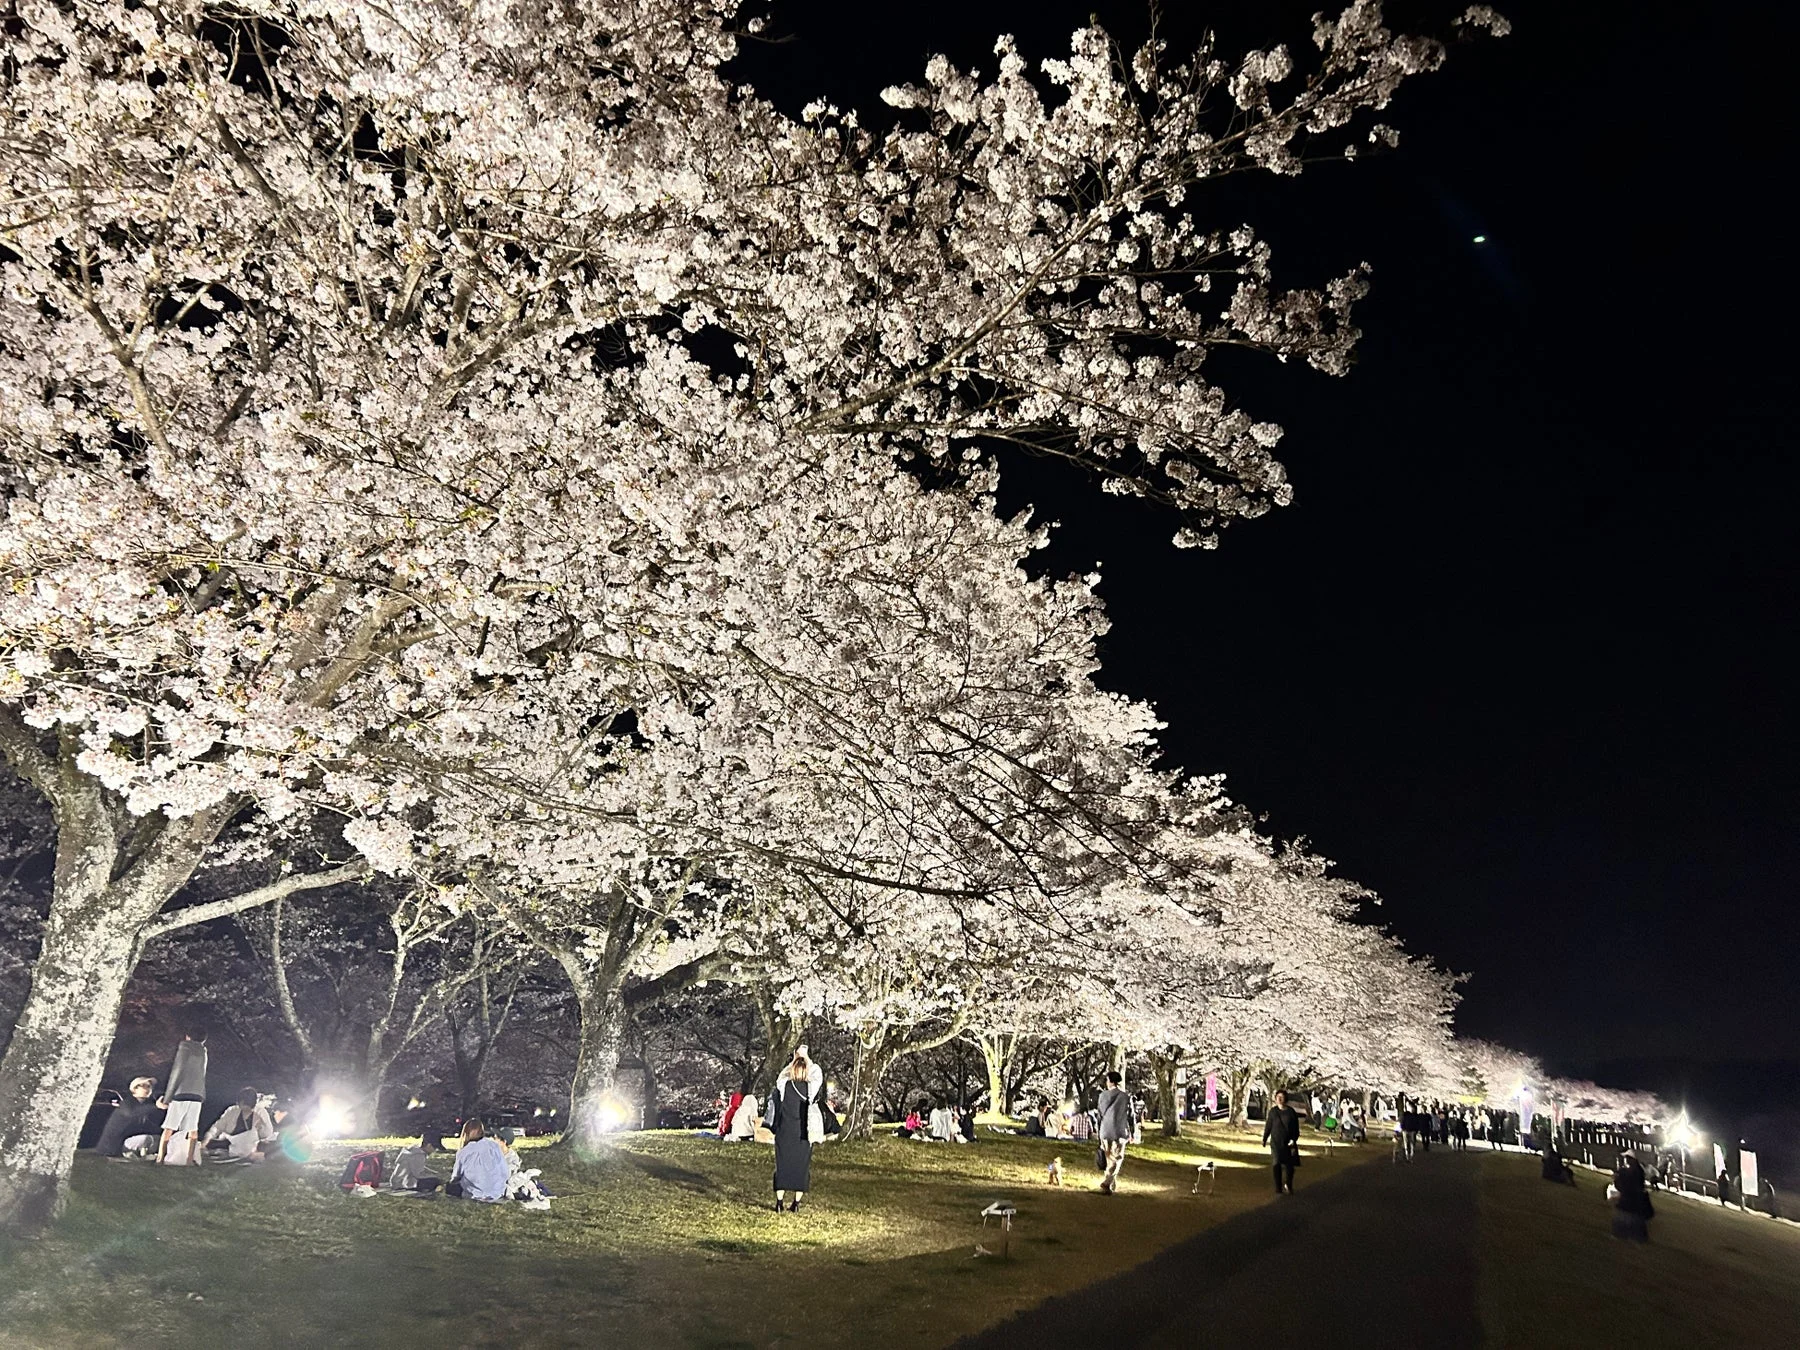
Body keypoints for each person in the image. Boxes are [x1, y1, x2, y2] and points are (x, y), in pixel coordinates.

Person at [768, 1047, 823, 1212]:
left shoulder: (784, 1085)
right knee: (801, 1168)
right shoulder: (810, 1089)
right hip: (803, 1133)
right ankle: (796, 1204)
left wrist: (794, 1059)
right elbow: (817, 1073)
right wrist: (806, 1058)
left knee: (782, 1167)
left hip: (784, 1132)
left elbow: (782, 1075)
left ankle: (779, 1203)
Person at [157, 1026, 208, 1166]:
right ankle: (189, 1160)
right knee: (193, 1128)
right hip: (197, 1094)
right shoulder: (203, 1052)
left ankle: (160, 1158)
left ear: (188, 1036)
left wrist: (167, 1098)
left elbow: (177, 1071)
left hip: (181, 1092)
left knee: (169, 1126)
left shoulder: (185, 1048)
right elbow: (202, 1073)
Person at [96, 1077, 162, 1159]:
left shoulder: (144, 1105)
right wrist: (156, 1106)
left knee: (158, 1139)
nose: (148, 1089)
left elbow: (147, 1125)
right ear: (135, 1088)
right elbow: (131, 1113)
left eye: (149, 1086)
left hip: (126, 1141)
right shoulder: (126, 1103)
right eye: (144, 1086)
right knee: (146, 1139)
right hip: (113, 1147)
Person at [203, 1088, 276, 1162]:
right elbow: (217, 1127)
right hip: (229, 1145)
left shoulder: (261, 1113)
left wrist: (261, 1126)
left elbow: (267, 1134)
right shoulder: (232, 1111)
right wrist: (206, 1141)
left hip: (251, 1147)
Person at [447, 1120, 509, 1201]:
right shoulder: (494, 1146)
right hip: (497, 1193)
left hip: (475, 1194)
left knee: (450, 1187)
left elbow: (455, 1177)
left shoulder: (464, 1151)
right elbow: (505, 1172)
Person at [1096, 1071, 1133, 1195]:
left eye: (1107, 1080)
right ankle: (1108, 1182)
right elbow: (1130, 1116)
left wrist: (1098, 1130)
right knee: (1117, 1158)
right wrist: (1132, 1131)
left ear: (1110, 1081)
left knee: (1109, 1159)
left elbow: (1100, 1114)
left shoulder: (1103, 1096)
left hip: (1105, 1130)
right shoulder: (1125, 1097)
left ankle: (1110, 1185)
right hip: (1119, 1131)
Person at [1263, 1089, 1301, 1194]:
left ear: (1285, 1099)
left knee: (1289, 1166)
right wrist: (1265, 1138)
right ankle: (1278, 1187)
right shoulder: (1273, 1112)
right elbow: (1269, 1125)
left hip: (1288, 1142)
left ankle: (1288, 1183)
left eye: (1282, 1097)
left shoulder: (1291, 1112)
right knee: (1277, 1164)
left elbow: (1296, 1128)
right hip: (1276, 1142)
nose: (1279, 1099)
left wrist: (1294, 1139)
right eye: (1278, 1097)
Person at [1611, 1150, 1654, 1241]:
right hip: (1634, 1198)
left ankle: (1624, 1235)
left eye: (1627, 1158)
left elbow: (1627, 1183)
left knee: (1627, 1217)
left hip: (1631, 1198)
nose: (1626, 1160)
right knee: (1635, 1218)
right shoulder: (1637, 1169)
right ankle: (1637, 1236)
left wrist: (1619, 1176)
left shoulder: (1633, 1170)